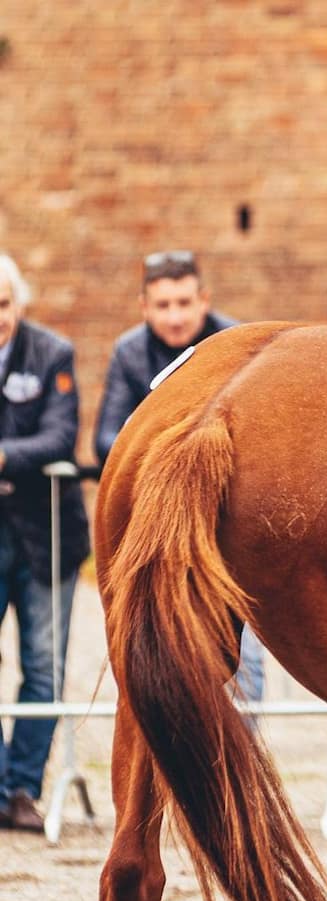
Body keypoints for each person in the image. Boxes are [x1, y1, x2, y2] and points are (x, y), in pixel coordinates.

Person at [94, 250, 265, 704]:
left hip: (228, 528)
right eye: (163, 305)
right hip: (156, 531)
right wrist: (177, 455)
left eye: (184, 303)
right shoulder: (130, 352)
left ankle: (241, 760)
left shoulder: (236, 342)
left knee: (242, 653)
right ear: (144, 307)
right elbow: (106, 439)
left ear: (203, 299)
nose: (174, 317)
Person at [0, 254, 90, 832]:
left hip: (46, 537)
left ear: (19, 303)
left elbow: (61, 434)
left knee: (44, 665)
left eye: (3, 304)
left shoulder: (52, 353)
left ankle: (21, 788)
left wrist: (6, 456)